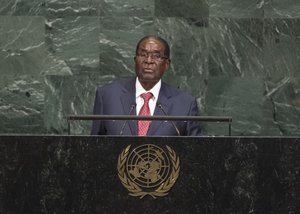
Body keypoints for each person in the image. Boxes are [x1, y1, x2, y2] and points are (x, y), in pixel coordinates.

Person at [91, 35, 201, 136]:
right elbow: (94, 146)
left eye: (156, 56)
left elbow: (194, 150)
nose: (148, 61)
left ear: (166, 64)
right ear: (135, 60)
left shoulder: (185, 104)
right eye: (143, 54)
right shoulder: (107, 96)